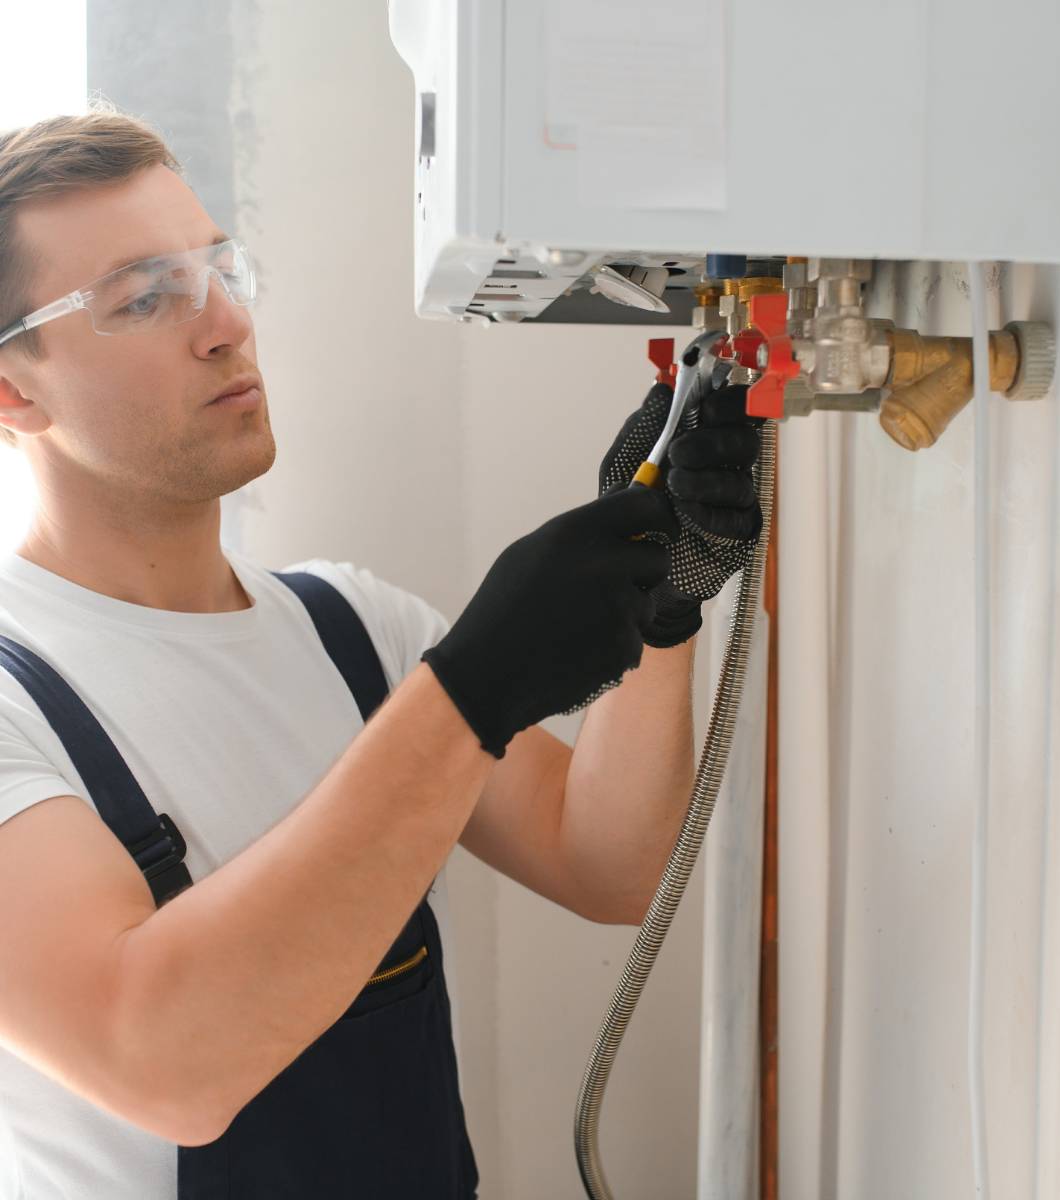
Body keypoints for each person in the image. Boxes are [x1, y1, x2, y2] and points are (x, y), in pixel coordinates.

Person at [0, 110, 763, 1200]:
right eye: (144, 299)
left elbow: (611, 864)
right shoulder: (15, 702)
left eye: (216, 268)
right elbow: (163, 1062)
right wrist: (471, 692)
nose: (224, 325)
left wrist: (666, 600)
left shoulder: (352, 631)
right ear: (12, 390)